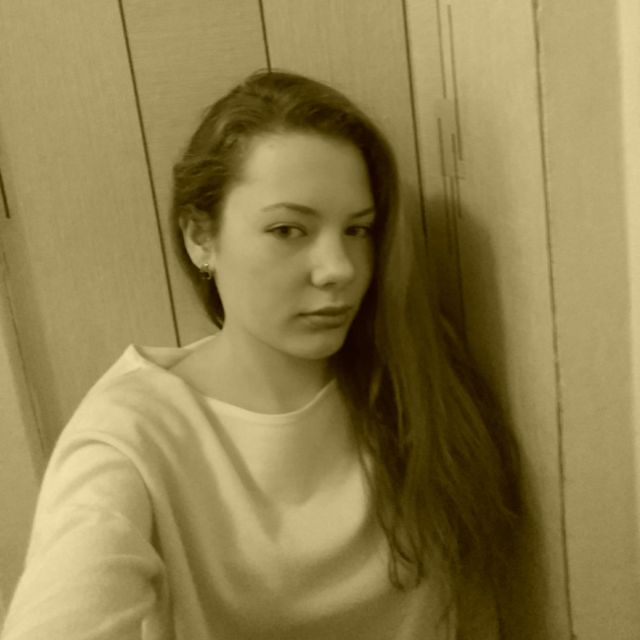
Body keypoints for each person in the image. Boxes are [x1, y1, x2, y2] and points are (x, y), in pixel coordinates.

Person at [1, 69, 522, 639]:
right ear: (200, 237)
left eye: (358, 230)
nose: (339, 269)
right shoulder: (133, 436)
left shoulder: (412, 379)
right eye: (288, 230)